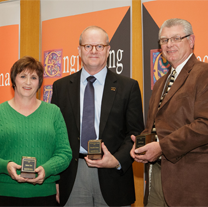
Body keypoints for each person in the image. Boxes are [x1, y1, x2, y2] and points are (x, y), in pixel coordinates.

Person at [131, 18, 208, 207]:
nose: (169, 45)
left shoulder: (207, 73)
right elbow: (156, 127)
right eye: (164, 40)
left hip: (191, 184)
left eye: (176, 38)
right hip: (156, 179)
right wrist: (140, 145)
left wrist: (162, 147)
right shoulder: (160, 83)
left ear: (191, 41)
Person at [51, 26, 144, 206]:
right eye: (88, 46)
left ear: (108, 50)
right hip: (71, 176)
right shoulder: (61, 87)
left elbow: (135, 133)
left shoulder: (128, 87)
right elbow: (55, 136)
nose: (94, 51)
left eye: (99, 46)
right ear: (79, 50)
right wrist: (54, 178)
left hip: (114, 176)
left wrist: (116, 160)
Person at [0, 56, 72, 206]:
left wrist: (47, 169)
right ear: (13, 80)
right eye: (23, 76)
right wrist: (5, 166)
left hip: (43, 195)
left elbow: (64, 153)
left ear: (40, 83)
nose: (28, 82)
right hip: (2, 196)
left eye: (34, 77)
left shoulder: (53, 112)